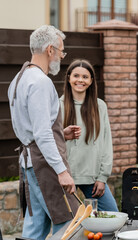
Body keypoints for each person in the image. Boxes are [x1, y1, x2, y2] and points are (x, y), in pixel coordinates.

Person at [7, 25, 80, 240]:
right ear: (50, 50)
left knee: (35, 225)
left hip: (30, 163)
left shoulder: (18, 79)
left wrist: (62, 134)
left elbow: (29, 128)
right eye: (61, 51)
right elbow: (41, 133)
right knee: (71, 222)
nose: (62, 56)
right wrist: (62, 171)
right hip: (44, 166)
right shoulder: (40, 82)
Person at [60, 59, 118, 211]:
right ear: (69, 78)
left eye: (85, 77)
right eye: (76, 76)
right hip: (65, 178)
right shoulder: (57, 105)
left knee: (112, 214)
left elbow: (106, 143)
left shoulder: (100, 106)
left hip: (92, 177)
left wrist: (102, 177)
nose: (80, 80)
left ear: (91, 81)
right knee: (66, 226)